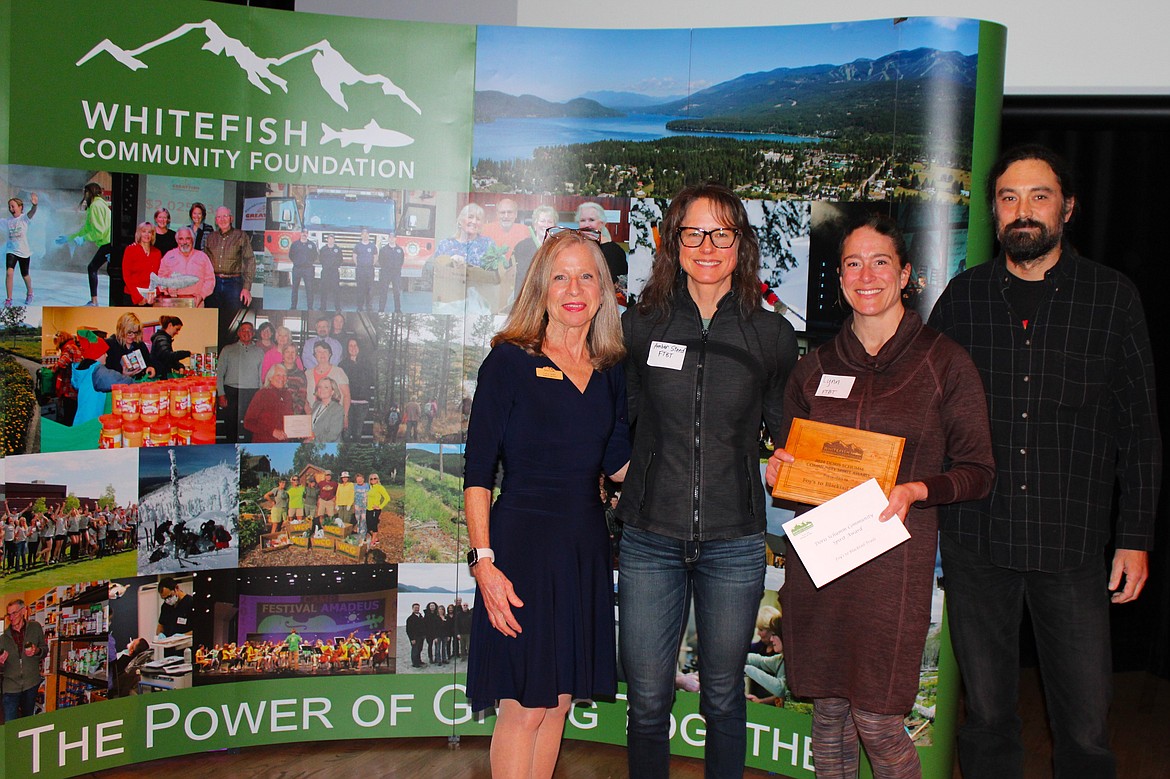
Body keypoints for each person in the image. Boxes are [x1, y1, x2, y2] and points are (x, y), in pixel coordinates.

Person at [927, 144, 1161, 779]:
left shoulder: (1113, 299)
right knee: (988, 722)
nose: (1023, 210)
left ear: (1068, 208)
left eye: (1039, 196)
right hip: (979, 542)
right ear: (994, 213)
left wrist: (1134, 538)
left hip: (1073, 546)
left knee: (1085, 731)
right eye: (1008, 197)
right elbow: (924, 411)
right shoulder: (963, 299)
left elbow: (1141, 431)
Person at [764, 214, 995, 778]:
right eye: (852, 263)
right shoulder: (813, 368)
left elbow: (979, 470)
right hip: (821, 565)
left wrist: (919, 488)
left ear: (906, 274)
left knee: (879, 722)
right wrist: (779, 468)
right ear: (840, 278)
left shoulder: (944, 362)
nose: (865, 275)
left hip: (894, 570)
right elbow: (793, 454)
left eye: (880, 261)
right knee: (827, 718)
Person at [617, 182, 798, 778]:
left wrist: (794, 460)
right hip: (648, 537)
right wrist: (615, 467)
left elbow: (788, 430)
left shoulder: (769, 334)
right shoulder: (641, 324)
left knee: (723, 697)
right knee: (647, 702)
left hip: (734, 540)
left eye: (722, 232)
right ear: (672, 242)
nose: (707, 245)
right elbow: (620, 414)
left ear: (740, 242)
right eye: (693, 232)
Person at [463, 227, 630, 777]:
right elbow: (477, 473)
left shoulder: (611, 372)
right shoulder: (508, 362)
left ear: (604, 291)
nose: (574, 288)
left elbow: (621, 466)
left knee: (557, 703)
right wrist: (483, 564)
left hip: (583, 549)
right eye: (560, 276)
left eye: (587, 276)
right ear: (541, 288)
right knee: (525, 706)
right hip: (521, 550)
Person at [58, 183, 111, 307]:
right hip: (108, 242)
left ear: (88, 192)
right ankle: (94, 300)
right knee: (99, 268)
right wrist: (69, 238)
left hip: (108, 243)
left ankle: (94, 301)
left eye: (85, 192)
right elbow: (86, 229)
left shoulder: (96, 206)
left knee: (92, 267)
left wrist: (83, 239)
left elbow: (99, 232)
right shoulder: (98, 205)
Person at [204, 206, 255, 330]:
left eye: (225, 216)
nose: (222, 219)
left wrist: (246, 288)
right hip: (213, 283)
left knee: (232, 320)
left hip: (234, 284)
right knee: (212, 320)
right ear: (215, 220)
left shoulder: (241, 236)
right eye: (219, 217)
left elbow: (250, 260)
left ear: (231, 218)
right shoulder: (210, 237)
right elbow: (205, 263)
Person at [216, 321, 264, 443]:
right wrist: (221, 394)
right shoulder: (227, 349)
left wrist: (260, 395)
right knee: (231, 425)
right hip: (231, 391)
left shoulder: (259, 352)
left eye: (249, 330)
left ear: (253, 333)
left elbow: (261, 375)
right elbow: (220, 373)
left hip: (252, 392)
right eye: (243, 330)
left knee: (251, 424)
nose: (246, 333)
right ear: (238, 333)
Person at [1, 598, 48, 720]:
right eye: (9, 615)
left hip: (31, 684)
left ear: (23, 611)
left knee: (27, 721)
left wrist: (36, 650)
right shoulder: (3, 638)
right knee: (10, 722)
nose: (11, 618)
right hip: (10, 686)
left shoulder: (35, 628)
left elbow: (44, 650)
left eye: (14, 613)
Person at [156, 226, 215, 305]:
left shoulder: (202, 256)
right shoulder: (169, 256)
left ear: (192, 240)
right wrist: (167, 289)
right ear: (177, 241)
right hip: (173, 303)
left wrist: (201, 295)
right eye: (181, 239)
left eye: (187, 238)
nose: (184, 242)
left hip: (197, 303)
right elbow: (161, 278)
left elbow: (210, 280)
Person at [576, 201, 627, 286]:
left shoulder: (614, 252)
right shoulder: (575, 248)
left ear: (602, 223)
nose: (586, 225)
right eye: (582, 220)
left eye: (591, 220)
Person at [512, 205, 558, 298]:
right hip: (528, 294)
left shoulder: (559, 247)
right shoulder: (522, 246)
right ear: (535, 224)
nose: (546, 224)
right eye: (542, 221)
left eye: (550, 221)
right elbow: (520, 276)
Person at [244, 364, 295, 443]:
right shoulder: (262, 394)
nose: (282, 378)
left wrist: (299, 431)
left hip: (284, 444)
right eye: (278, 375)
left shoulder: (288, 395)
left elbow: (290, 421)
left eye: (284, 375)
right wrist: (272, 431)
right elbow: (248, 422)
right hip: (264, 443)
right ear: (270, 377)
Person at [306, 341, 350, 427]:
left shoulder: (338, 372)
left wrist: (345, 416)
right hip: (314, 416)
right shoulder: (308, 373)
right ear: (315, 355)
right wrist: (309, 413)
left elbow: (346, 395)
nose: (322, 354)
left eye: (325, 351)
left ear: (330, 354)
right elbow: (305, 397)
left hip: (334, 417)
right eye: (319, 352)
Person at [4, 192, 37, 306]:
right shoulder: (7, 221)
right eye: (9, 207)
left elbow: (32, 213)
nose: (11, 208)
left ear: (20, 207)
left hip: (23, 252)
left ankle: (30, 292)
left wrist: (34, 206)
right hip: (11, 251)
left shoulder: (24, 219)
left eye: (13, 206)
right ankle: (9, 298)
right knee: (9, 272)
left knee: (25, 275)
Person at [436, 203, 493, 267]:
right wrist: (449, 261)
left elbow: (495, 272)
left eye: (478, 219)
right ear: (460, 220)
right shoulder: (445, 244)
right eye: (470, 217)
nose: (474, 222)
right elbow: (435, 268)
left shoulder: (488, 244)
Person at [339, 337, 374, 441]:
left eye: (355, 345)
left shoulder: (367, 363)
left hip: (362, 403)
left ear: (359, 347)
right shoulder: (342, 365)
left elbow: (369, 380)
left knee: (357, 433)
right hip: (347, 403)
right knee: (346, 432)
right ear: (347, 348)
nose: (353, 348)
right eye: (350, 345)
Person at [104, 311, 155, 379]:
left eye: (136, 332)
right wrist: (122, 374)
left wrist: (150, 368)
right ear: (121, 330)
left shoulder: (140, 344)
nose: (133, 336)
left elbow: (149, 362)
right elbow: (105, 372)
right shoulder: (110, 344)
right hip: (117, 385)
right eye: (129, 332)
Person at [122, 221, 162, 305]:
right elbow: (126, 276)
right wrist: (139, 298)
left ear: (153, 235)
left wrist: (155, 294)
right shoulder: (130, 250)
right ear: (139, 234)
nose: (147, 235)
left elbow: (158, 276)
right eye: (144, 232)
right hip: (132, 296)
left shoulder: (157, 253)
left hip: (151, 297)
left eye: (149, 232)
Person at [288, 229, 317, 310]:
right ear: (300, 234)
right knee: (294, 289)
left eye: (306, 233)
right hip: (297, 269)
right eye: (303, 233)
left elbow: (315, 255)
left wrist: (309, 262)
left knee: (310, 289)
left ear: (308, 234)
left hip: (308, 269)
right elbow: (291, 255)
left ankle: (310, 307)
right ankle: (293, 306)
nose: (304, 234)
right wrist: (297, 262)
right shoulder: (295, 244)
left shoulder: (311, 244)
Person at [377, 231, 405, 313]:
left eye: (393, 237)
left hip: (396, 274)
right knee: (383, 292)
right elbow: (380, 261)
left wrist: (396, 269)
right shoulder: (383, 250)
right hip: (386, 273)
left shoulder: (399, 250)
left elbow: (401, 261)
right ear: (388, 239)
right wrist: (386, 269)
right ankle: (381, 309)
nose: (391, 239)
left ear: (395, 239)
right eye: (390, 237)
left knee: (396, 292)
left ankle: (397, 309)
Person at [310, 377, 344, 443]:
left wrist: (313, 440)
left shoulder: (337, 409)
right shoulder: (315, 405)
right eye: (319, 387)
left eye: (326, 387)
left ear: (332, 391)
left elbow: (332, 436)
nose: (322, 390)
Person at [353, 227, 378, 312]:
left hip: (369, 270)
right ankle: (360, 307)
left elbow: (375, 256)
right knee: (360, 289)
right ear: (361, 236)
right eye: (363, 234)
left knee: (369, 289)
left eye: (366, 234)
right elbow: (354, 256)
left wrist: (371, 264)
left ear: (368, 235)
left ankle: (369, 306)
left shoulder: (372, 246)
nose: (365, 236)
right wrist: (358, 264)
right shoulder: (358, 246)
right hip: (360, 270)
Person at [318, 233, 343, 311]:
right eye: (329, 238)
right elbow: (320, 259)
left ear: (334, 240)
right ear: (327, 240)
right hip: (325, 272)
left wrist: (335, 266)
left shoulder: (338, 249)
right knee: (323, 290)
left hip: (334, 272)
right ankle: (323, 307)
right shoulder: (323, 249)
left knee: (336, 290)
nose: (331, 240)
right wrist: (326, 265)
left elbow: (340, 260)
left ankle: (337, 307)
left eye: (332, 239)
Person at [365, 472, 390, 549]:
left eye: (374, 478)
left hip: (375, 509)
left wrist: (380, 506)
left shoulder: (380, 487)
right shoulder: (369, 487)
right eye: (371, 479)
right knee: (369, 523)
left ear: (377, 479)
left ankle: (374, 540)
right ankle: (375, 537)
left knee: (374, 523)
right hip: (368, 508)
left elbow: (387, 498)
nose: (373, 480)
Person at [405, 603, 426, 668]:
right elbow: (408, 630)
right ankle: (415, 663)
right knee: (415, 650)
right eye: (415, 608)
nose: (417, 609)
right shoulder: (410, 618)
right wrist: (412, 639)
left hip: (421, 636)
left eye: (418, 607)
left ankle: (419, 661)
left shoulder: (421, 616)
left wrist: (424, 635)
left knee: (420, 649)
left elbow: (424, 626)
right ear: (412, 608)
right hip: (414, 637)